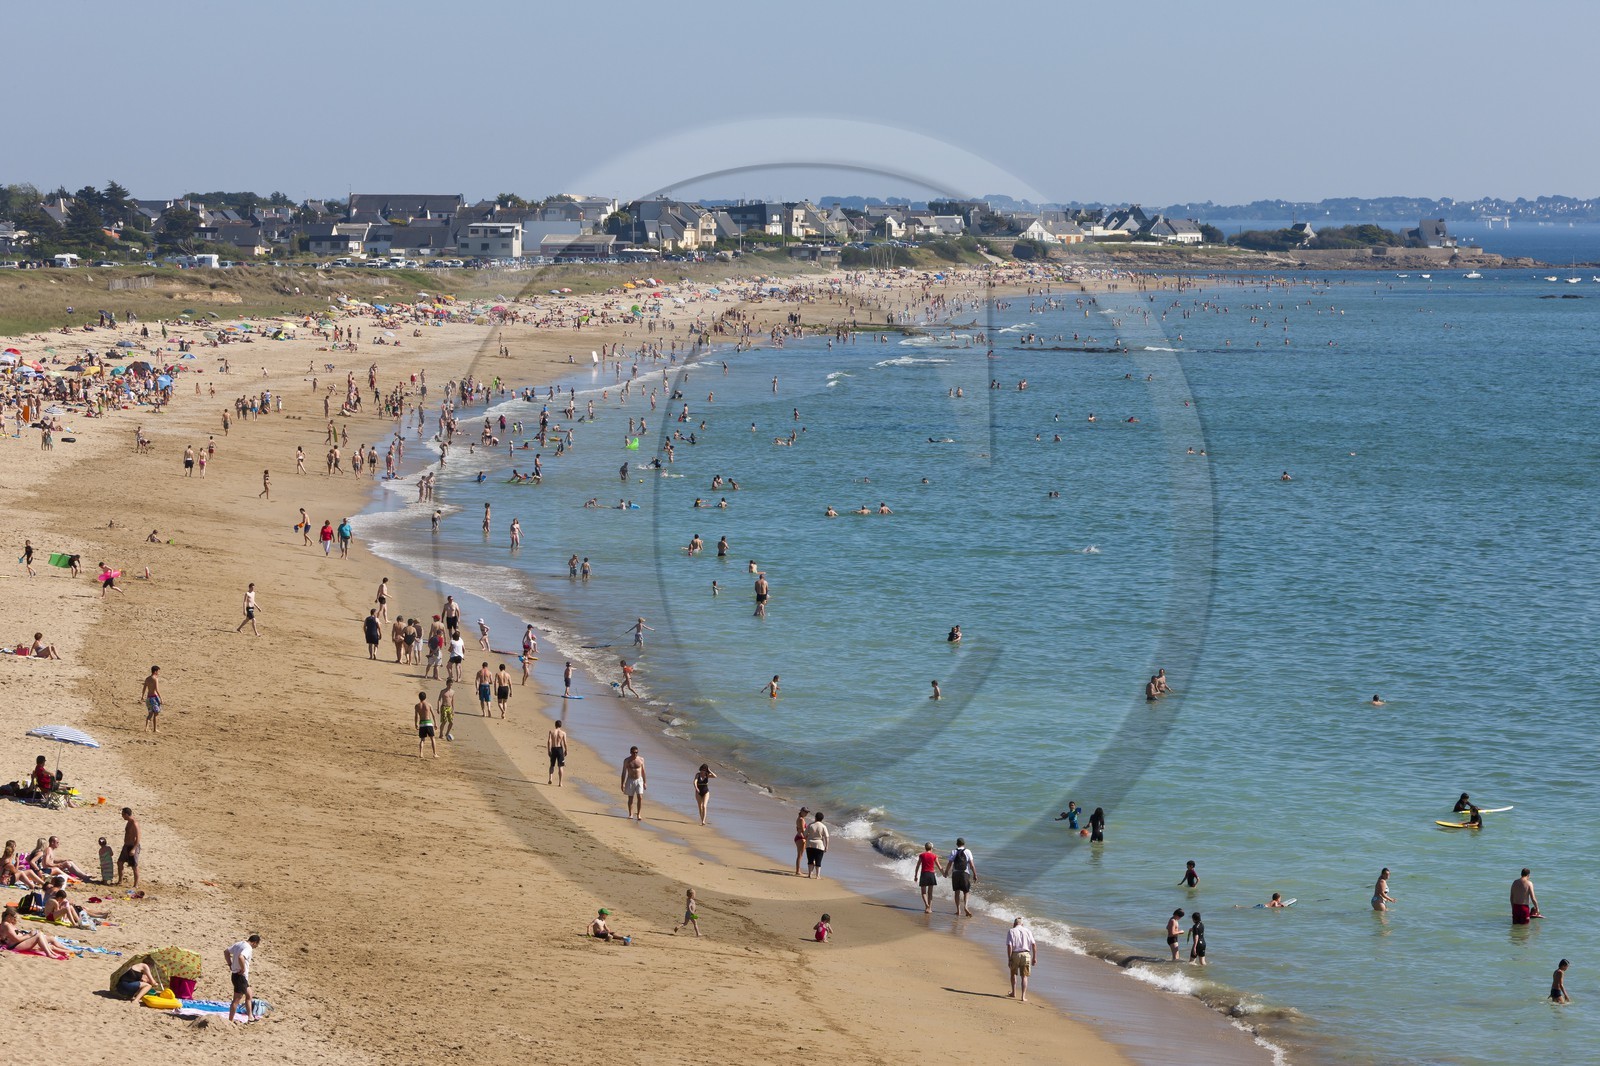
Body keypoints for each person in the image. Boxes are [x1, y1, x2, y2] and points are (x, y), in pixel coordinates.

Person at [1, 905, 70, 959]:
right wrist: (29, 935)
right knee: (38, 935)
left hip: (19, 942)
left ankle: (64, 950)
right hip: (15, 946)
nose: (15, 919)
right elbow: (16, 939)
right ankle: (49, 954)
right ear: (9, 916)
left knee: (50, 938)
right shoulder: (6, 925)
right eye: (14, 917)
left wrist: (27, 934)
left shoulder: (9, 924)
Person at [224, 933, 261, 1022]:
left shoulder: (239, 944)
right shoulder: (248, 948)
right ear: (255, 942)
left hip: (237, 975)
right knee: (236, 1000)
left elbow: (226, 951)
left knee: (249, 994)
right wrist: (243, 968)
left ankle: (250, 1017)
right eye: (257, 944)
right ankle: (230, 1020)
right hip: (240, 976)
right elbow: (241, 957)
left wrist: (230, 964)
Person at [1006, 917, 1036, 1000]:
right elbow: (1033, 944)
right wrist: (1034, 957)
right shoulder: (1028, 931)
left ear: (1014, 924)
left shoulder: (1011, 931)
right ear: (1022, 924)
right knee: (1024, 976)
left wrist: (1009, 958)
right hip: (1026, 954)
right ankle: (1023, 996)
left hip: (1015, 954)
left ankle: (1013, 992)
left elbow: (1009, 945)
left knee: (1013, 974)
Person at [948, 838, 976, 917]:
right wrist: (975, 874)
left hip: (955, 873)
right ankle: (965, 907)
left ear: (957, 844)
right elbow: (972, 865)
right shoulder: (967, 851)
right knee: (966, 892)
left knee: (957, 892)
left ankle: (958, 910)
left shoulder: (953, 851)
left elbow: (949, 863)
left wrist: (946, 872)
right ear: (964, 844)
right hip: (964, 873)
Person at [914, 842, 941, 913]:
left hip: (924, 874)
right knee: (930, 893)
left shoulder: (922, 855)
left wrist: (916, 875)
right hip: (931, 874)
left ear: (925, 847)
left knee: (923, 892)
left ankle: (927, 905)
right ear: (931, 848)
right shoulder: (934, 855)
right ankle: (930, 908)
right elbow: (939, 866)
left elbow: (917, 866)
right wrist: (944, 873)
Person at [621, 746, 647, 820]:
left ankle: (639, 814)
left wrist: (645, 782)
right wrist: (622, 783)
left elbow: (643, 772)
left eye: (636, 752)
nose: (635, 754)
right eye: (633, 752)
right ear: (630, 752)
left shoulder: (641, 759)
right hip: (630, 780)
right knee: (630, 798)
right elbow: (624, 772)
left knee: (640, 797)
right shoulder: (627, 760)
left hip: (639, 780)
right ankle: (631, 814)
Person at [118, 807, 141, 888]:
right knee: (120, 862)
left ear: (126, 814)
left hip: (132, 846)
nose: (122, 816)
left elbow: (138, 837)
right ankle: (120, 881)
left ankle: (136, 885)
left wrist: (134, 849)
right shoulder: (128, 822)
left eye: (123, 814)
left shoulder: (134, 823)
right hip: (126, 845)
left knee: (134, 866)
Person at [803, 811, 829, 879]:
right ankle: (817, 876)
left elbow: (804, 834)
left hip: (810, 844)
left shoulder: (810, 825)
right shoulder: (823, 826)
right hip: (819, 845)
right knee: (818, 861)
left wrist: (808, 837)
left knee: (810, 860)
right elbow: (827, 837)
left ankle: (809, 875)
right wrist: (826, 846)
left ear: (815, 818)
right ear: (822, 819)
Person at [415, 691, 437, 758]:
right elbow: (433, 715)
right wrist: (435, 723)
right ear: (425, 697)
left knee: (422, 740)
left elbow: (416, 716)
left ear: (419, 697)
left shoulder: (417, 706)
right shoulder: (429, 705)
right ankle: (434, 754)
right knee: (432, 738)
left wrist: (416, 724)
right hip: (428, 723)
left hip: (422, 723)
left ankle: (421, 753)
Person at [141, 666, 161, 734]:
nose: (158, 673)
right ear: (155, 671)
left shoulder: (147, 679)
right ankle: (155, 729)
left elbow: (144, 688)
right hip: (154, 698)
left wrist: (142, 696)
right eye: (158, 671)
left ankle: (146, 728)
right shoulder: (155, 679)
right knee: (156, 714)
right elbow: (157, 690)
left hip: (148, 698)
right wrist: (161, 698)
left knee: (150, 714)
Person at [547, 720, 568, 786]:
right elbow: (565, 743)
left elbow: (549, 741)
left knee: (552, 765)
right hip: (559, 749)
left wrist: (549, 750)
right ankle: (560, 783)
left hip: (553, 748)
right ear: (560, 725)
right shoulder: (563, 733)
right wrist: (566, 750)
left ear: (555, 725)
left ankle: (550, 778)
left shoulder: (551, 732)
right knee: (560, 766)